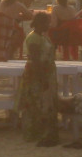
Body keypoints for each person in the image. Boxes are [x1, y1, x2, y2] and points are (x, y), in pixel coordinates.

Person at [14, 12, 59, 147]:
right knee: (34, 103)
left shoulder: (42, 37)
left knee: (45, 103)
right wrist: (42, 78)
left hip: (46, 73)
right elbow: (35, 60)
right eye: (46, 23)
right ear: (40, 23)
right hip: (36, 75)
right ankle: (34, 133)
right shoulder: (33, 38)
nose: (48, 25)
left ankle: (44, 132)